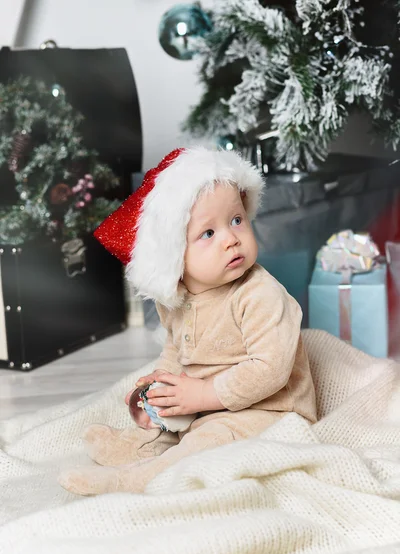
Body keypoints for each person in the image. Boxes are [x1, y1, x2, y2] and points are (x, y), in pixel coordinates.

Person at [58, 147, 317, 496]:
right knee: (170, 422)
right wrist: (162, 385)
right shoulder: (177, 298)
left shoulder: (260, 295)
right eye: (208, 234)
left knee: (207, 440)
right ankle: (141, 447)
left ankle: (135, 480)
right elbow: (175, 348)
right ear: (173, 256)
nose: (231, 239)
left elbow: (270, 369)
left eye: (236, 220)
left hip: (270, 412)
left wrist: (204, 394)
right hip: (209, 403)